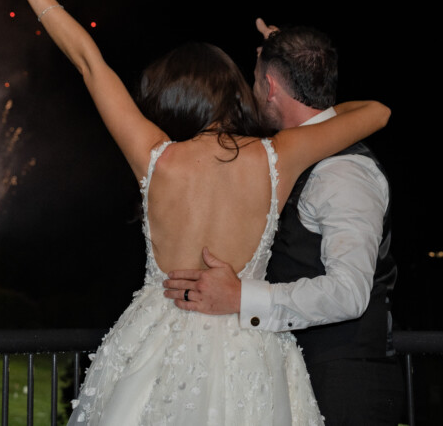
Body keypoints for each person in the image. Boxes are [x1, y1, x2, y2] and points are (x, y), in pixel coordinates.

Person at [1, 0, 390, 425]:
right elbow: (377, 113)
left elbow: (88, 61)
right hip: (247, 343)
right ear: (234, 89)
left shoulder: (156, 156)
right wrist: (284, 63)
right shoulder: (281, 156)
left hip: (155, 340)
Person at [162, 21, 404, 425]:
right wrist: (282, 56)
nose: (250, 92)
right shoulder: (296, 155)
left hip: (345, 389)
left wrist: (242, 298)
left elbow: (349, 293)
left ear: (272, 88)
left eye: (256, 81)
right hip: (308, 378)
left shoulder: (342, 172)